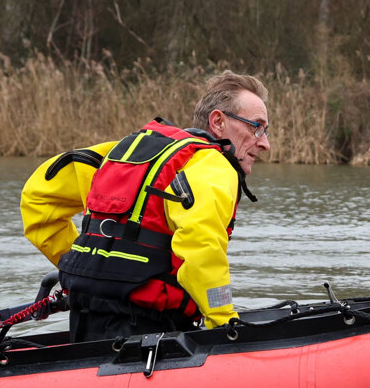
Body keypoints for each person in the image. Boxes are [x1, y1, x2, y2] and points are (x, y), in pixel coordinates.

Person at [20, 71, 270, 342]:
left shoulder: (125, 154)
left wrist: (90, 268)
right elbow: (202, 248)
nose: (265, 142)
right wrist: (223, 321)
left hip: (86, 318)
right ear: (218, 122)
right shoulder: (213, 164)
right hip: (148, 328)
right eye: (256, 126)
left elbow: (37, 197)